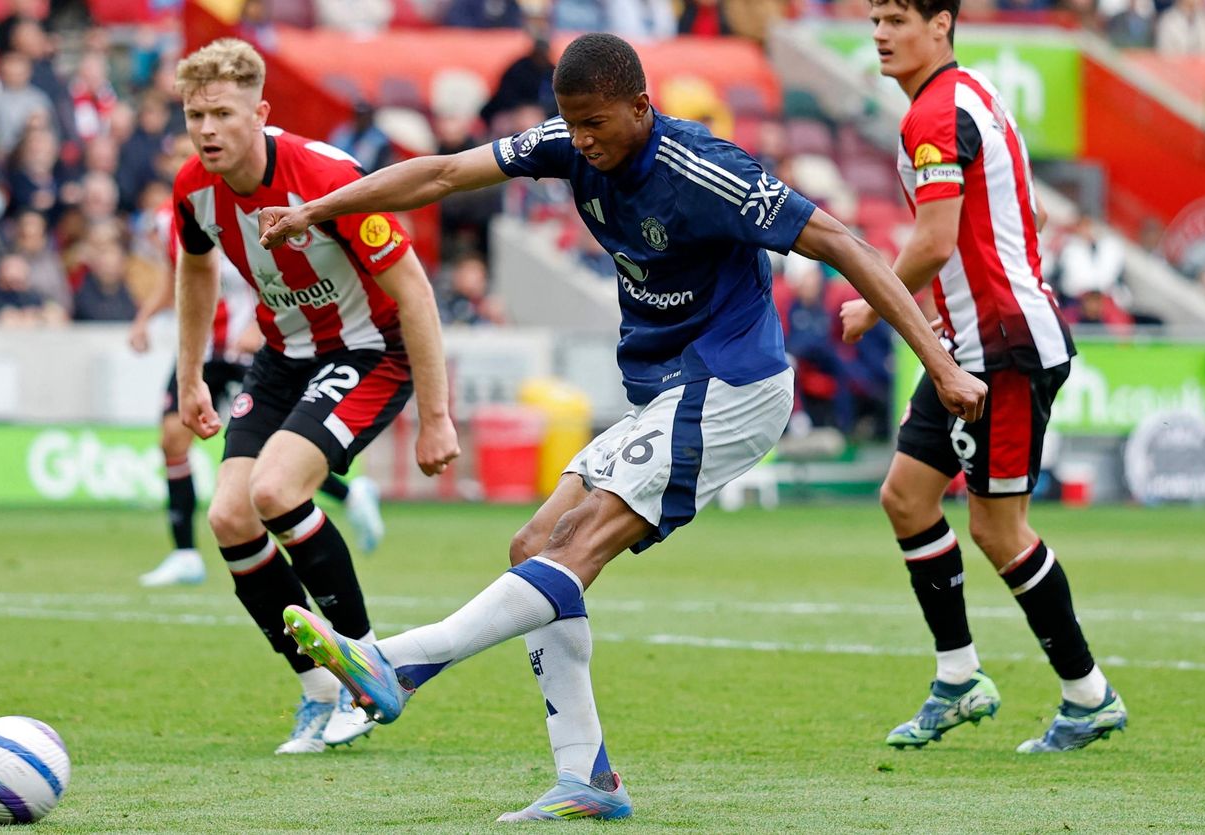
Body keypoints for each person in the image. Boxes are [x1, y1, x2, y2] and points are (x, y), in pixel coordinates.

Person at [257, 32, 985, 821]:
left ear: (641, 106)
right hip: (670, 389)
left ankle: (396, 665)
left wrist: (940, 367)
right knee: (535, 546)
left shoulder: (703, 170)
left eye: (597, 124)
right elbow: (442, 172)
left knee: (576, 545)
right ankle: (587, 777)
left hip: (732, 383)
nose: (583, 142)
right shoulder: (570, 144)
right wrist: (322, 209)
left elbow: (843, 242)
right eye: (571, 124)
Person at [839, 0, 1127, 754]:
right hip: (970, 342)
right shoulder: (971, 95)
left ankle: (1087, 694)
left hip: (999, 350)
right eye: (874, 18)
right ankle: (959, 679)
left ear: (942, 24)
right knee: (906, 496)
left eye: (898, 17)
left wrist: (873, 306)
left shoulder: (936, 113)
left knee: (999, 528)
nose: (880, 33)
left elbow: (934, 241)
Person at [169, 39, 460, 755]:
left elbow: (415, 290)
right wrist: (190, 374)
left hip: (369, 352)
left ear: (260, 111)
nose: (207, 130)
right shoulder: (193, 190)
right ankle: (319, 691)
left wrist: (436, 415)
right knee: (231, 515)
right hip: (283, 358)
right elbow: (197, 270)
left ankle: (367, 669)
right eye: (194, 114)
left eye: (223, 114)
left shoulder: (330, 179)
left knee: (273, 490)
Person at [128, 218, 390, 588]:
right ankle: (185, 554)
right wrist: (143, 319)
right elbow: (176, 275)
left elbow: (284, 270)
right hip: (199, 350)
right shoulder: (170, 218)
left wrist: (260, 323)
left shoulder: (243, 209)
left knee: (270, 448)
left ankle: (350, 495)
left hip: (249, 347)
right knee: (172, 438)